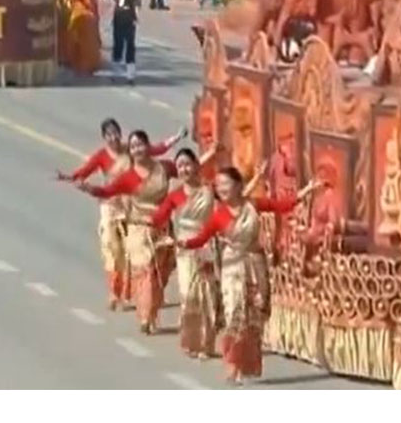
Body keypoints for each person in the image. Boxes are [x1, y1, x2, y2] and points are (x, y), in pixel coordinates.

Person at [178, 165, 317, 384]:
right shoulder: (218, 215)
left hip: (255, 266)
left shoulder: (252, 206)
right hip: (232, 269)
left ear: (238, 185)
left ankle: (246, 365)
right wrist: (184, 243)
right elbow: (202, 238)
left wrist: (307, 190)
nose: (222, 188)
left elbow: (281, 205)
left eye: (226, 183)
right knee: (235, 315)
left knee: (253, 319)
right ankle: (232, 365)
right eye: (218, 185)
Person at [75, 130, 179, 334]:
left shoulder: (164, 168)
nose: (137, 149)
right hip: (139, 229)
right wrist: (90, 189)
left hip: (163, 228)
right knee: (145, 270)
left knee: (161, 272)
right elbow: (108, 191)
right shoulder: (128, 177)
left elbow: (188, 174)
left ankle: (151, 310)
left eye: (140, 145)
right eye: (133, 147)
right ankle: (145, 316)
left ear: (148, 146)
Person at [145, 148, 221, 359]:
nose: (184, 169)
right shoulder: (175, 196)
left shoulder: (209, 190)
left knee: (207, 296)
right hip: (185, 251)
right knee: (189, 295)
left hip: (205, 248)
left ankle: (207, 345)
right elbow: (160, 216)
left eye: (188, 164)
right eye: (180, 166)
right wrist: (148, 224)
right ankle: (192, 341)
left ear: (196, 165)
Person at [57, 118, 132, 310]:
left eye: (116, 133)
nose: (113, 138)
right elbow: (85, 171)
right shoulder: (101, 156)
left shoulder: (131, 151)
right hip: (110, 206)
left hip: (130, 206)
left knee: (128, 252)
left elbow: (151, 155)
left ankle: (126, 294)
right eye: (109, 135)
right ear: (104, 138)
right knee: (111, 250)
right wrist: (69, 177)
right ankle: (114, 292)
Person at [110, 0, 138, 82]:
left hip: (128, 16)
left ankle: (130, 73)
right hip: (120, 16)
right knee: (119, 44)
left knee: (129, 45)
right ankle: (117, 72)